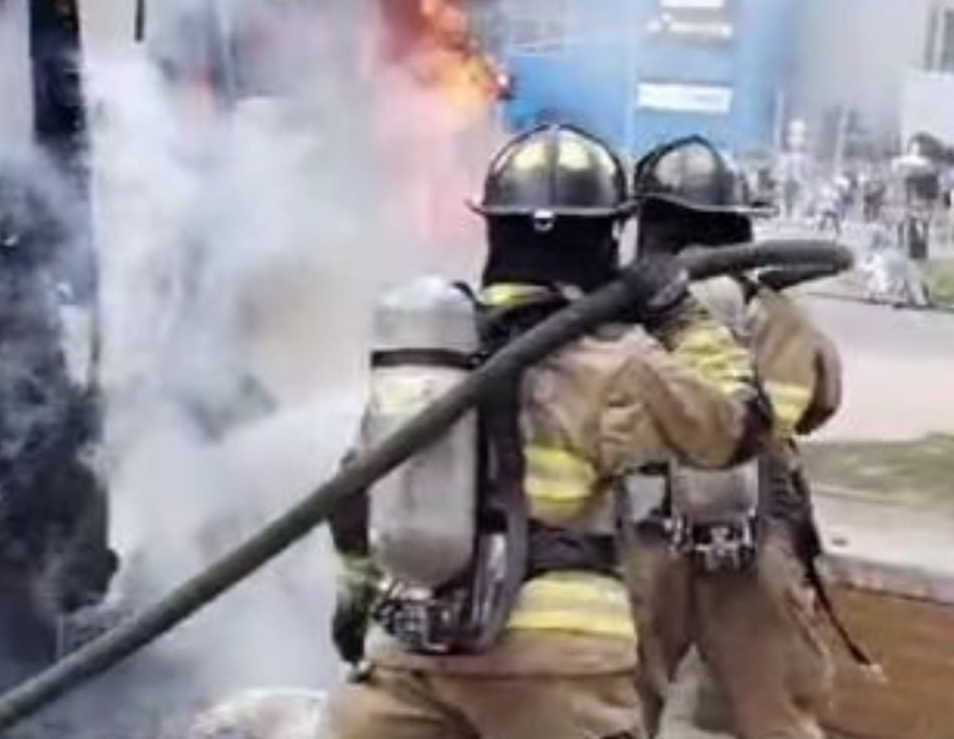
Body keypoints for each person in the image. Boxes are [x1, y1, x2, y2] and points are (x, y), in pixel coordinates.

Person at [321, 124, 768, 739]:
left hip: (413, 649)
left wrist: (356, 603)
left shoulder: (431, 358)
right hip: (560, 665)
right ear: (606, 236)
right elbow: (737, 426)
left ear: (494, 229)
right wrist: (677, 311)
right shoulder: (619, 362)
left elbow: (354, 494)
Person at [624, 135, 856, 739]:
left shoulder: (623, 313)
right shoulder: (778, 316)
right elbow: (817, 404)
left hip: (645, 539)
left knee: (621, 712)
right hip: (757, 542)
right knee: (775, 715)